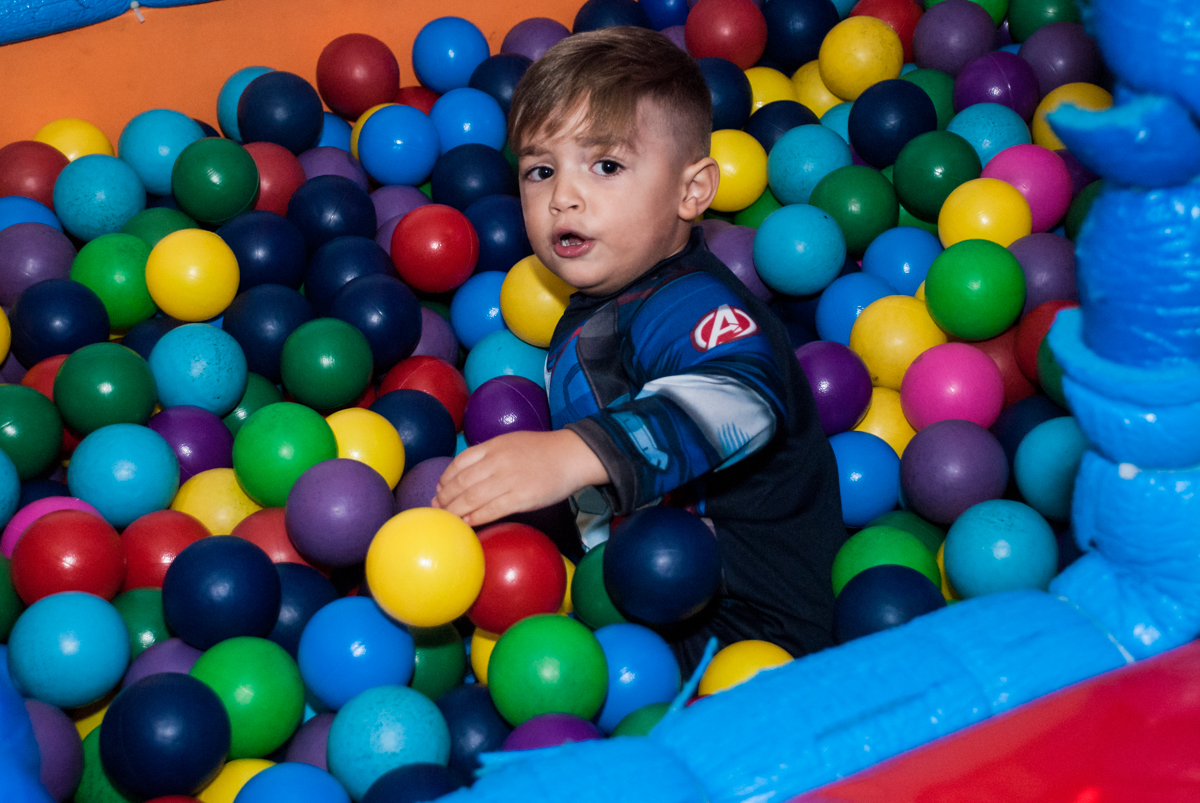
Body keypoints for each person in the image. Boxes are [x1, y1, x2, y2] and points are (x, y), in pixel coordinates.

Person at [434, 26, 847, 673]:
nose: (564, 196)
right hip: (640, 607)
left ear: (692, 191)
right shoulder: (613, 294)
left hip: (750, 632)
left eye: (606, 165)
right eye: (541, 170)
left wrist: (573, 452)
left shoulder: (688, 303)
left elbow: (740, 397)